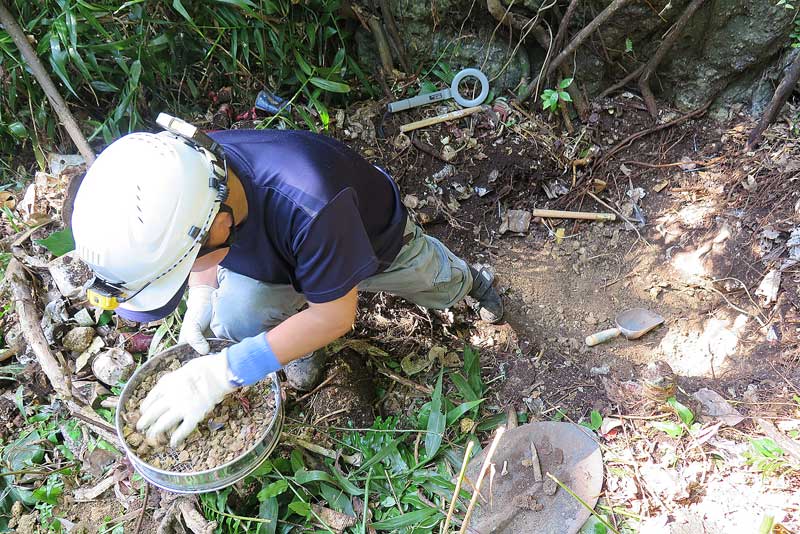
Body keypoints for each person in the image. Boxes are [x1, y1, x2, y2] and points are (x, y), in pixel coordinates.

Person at [72, 114, 503, 447]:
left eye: (185, 268)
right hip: (278, 256)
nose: (189, 276)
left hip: (374, 243)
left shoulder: (312, 200)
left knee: (440, 283)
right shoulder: (196, 178)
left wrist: (225, 372)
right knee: (238, 317)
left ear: (219, 225)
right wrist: (202, 294)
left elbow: (335, 316)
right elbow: (197, 247)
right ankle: (289, 347)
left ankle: (472, 281)